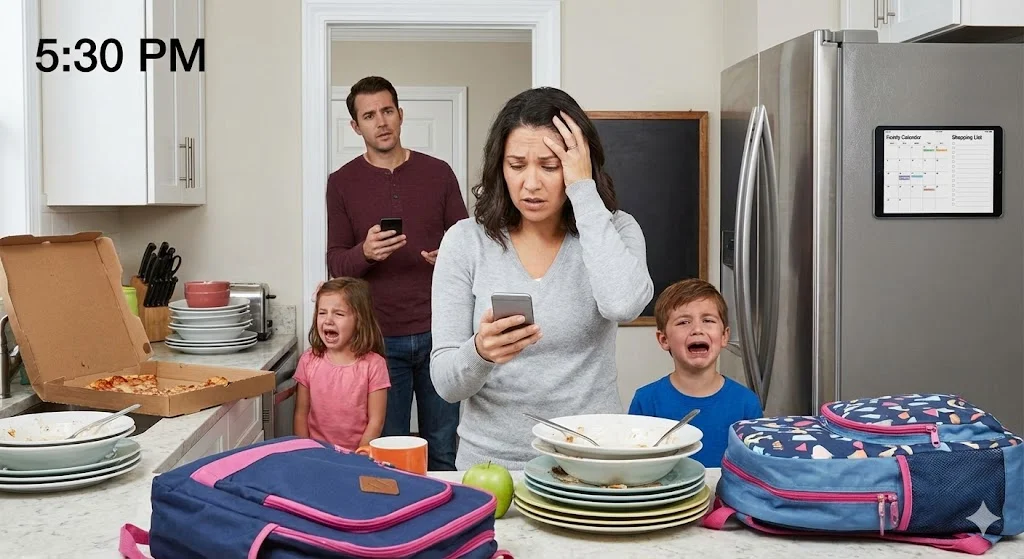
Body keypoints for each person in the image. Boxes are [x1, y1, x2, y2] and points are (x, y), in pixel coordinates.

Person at [429, 86, 655, 470]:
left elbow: (624, 305)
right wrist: (480, 352)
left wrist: (583, 191)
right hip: (491, 467)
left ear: (578, 164)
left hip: (590, 459)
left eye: (550, 167)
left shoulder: (615, 230)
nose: (530, 184)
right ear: (499, 167)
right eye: (516, 165)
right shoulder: (465, 242)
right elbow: (447, 386)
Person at [326, 76, 467, 470]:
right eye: (369, 115)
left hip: (441, 331)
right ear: (356, 127)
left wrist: (450, 257)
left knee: (443, 447)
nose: (381, 122)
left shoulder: (439, 173)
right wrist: (365, 253)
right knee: (388, 450)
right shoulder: (341, 183)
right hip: (379, 340)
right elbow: (335, 263)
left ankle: (445, 526)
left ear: (400, 115)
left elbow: (470, 246)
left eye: (387, 111)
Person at [628, 278, 763, 468]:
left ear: (724, 336)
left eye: (708, 320)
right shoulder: (645, 401)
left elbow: (755, 470)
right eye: (684, 322)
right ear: (664, 339)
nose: (697, 330)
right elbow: (635, 466)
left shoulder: (746, 403)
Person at [294, 278, 391, 451]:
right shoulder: (308, 360)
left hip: (358, 455)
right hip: (318, 454)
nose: (328, 320)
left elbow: (376, 421)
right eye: (322, 313)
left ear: (359, 320)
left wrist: (359, 454)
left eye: (338, 314)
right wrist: (305, 451)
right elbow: (301, 414)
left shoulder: (374, 365)